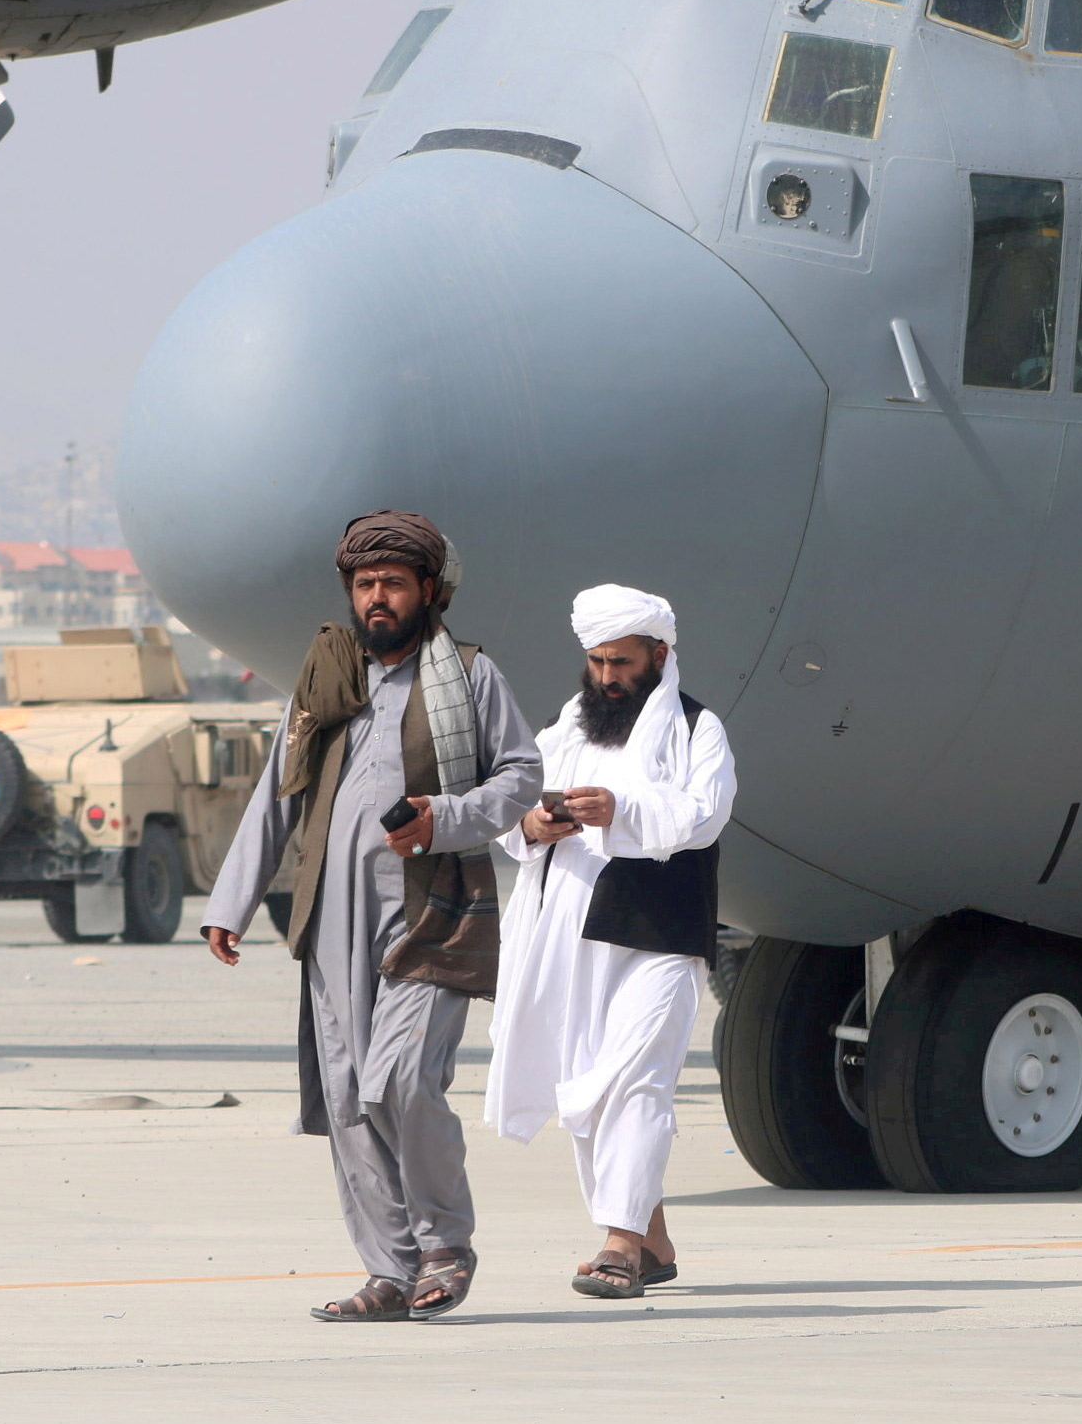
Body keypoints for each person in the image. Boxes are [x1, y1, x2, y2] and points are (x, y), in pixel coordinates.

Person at [200, 511, 539, 1323]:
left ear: (429, 589)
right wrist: (231, 902)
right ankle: (390, 1271)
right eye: (364, 585)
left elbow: (522, 775)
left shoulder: (469, 677)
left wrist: (448, 816)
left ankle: (446, 1245)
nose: (377, 598)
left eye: (392, 583)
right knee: (350, 1097)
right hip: (334, 923)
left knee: (401, 1080)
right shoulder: (324, 680)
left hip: (434, 915)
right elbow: (273, 796)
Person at [484, 584, 736, 1300]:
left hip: (659, 932)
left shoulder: (697, 729)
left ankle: (620, 1245)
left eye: (620, 662)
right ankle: (652, 1239)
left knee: (635, 1079)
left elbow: (704, 814)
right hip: (570, 935)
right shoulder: (566, 731)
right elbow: (511, 812)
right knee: (591, 1090)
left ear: (658, 655)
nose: (606, 677)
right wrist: (534, 827)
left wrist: (622, 810)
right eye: (596, 661)